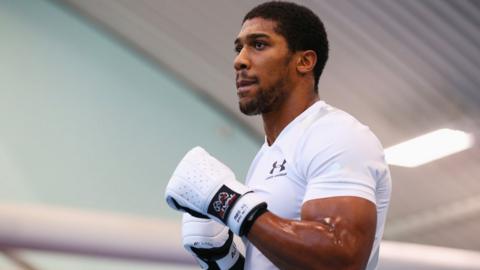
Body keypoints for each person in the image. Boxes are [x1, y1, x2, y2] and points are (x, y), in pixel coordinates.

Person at [165, 1, 392, 270]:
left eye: (259, 45)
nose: (240, 60)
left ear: (304, 61)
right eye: (239, 48)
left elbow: (341, 260)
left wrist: (230, 204)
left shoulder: (337, 135)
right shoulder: (266, 156)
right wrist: (224, 260)